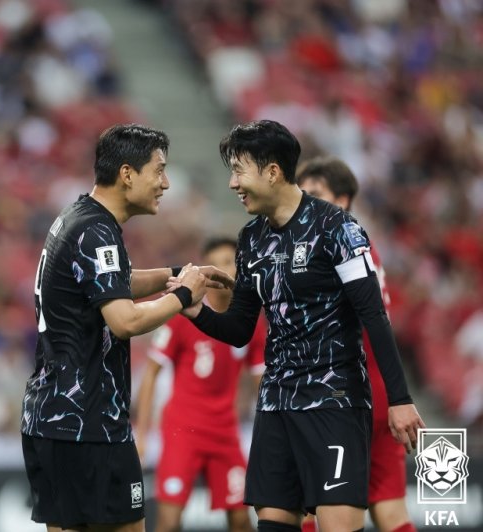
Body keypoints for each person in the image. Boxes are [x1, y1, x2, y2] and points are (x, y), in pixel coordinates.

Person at [178, 120, 424, 532]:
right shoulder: (251, 239)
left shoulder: (337, 228)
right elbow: (240, 329)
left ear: (272, 171)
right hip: (276, 406)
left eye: (239, 170)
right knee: (273, 523)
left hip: (335, 402)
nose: (233, 183)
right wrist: (196, 311)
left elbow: (373, 315)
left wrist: (399, 399)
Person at [21, 124, 234, 532]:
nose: (166, 183)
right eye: (159, 171)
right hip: (83, 423)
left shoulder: (81, 217)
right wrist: (184, 297)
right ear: (127, 174)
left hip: (67, 419)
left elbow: (115, 282)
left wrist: (180, 275)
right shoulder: (96, 230)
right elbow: (124, 321)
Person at [297, 156, 415, 532]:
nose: (305, 203)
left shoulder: (332, 247)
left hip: (341, 394)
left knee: (318, 511)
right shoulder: (368, 249)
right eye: (302, 195)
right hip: (380, 390)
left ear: (344, 199)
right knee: (392, 514)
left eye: (315, 194)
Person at [134, 236, 265, 532]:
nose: (223, 270)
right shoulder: (185, 314)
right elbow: (152, 371)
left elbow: (262, 383)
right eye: (216, 263)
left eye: (230, 262)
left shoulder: (252, 324)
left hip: (225, 432)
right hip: (183, 430)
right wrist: (142, 434)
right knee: (168, 520)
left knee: (242, 519)